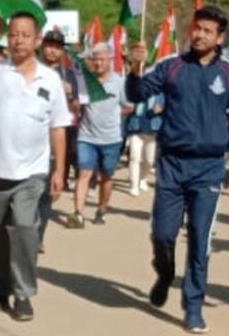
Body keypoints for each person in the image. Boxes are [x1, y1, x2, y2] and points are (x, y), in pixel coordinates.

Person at [126, 6, 229, 334]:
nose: (200, 35)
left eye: (208, 31)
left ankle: (193, 306)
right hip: (172, 164)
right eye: (197, 28)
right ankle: (165, 273)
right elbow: (136, 94)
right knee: (163, 235)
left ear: (219, 37)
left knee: (199, 237)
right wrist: (135, 68)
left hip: (209, 168)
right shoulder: (172, 67)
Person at [0, 12, 72, 322]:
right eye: (13, 34)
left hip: (33, 173)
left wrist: (60, 170)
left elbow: (59, 127)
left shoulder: (50, 79)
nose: (18, 39)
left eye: (25, 34)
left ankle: (23, 294)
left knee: (24, 228)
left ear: (37, 40)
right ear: (7, 38)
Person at [67, 42, 132, 228]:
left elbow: (129, 106)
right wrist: (74, 102)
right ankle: (78, 213)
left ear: (110, 60)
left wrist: (113, 115)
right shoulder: (84, 81)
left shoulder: (119, 82)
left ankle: (102, 209)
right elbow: (76, 107)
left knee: (106, 176)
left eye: (102, 60)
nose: (98, 63)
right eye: (95, 60)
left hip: (111, 139)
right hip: (87, 136)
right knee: (84, 173)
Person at [38, 29, 80, 251]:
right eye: (49, 45)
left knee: (48, 191)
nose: (52, 50)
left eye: (57, 46)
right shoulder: (31, 68)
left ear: (62, 50)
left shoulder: (69, 75)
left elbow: (77, 109)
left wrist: (71, 94)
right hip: (32, 136)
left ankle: (38, 234)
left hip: (57, 138)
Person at [125, 41, 163, 197]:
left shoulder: (159, 87)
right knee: (134, 156)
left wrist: (162, 107)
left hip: (152, 126)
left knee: (148, 160)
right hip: (136, 125)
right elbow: (130, 93)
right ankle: (133, 184)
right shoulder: (135, 82)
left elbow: (166, 99)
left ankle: (142, 178)